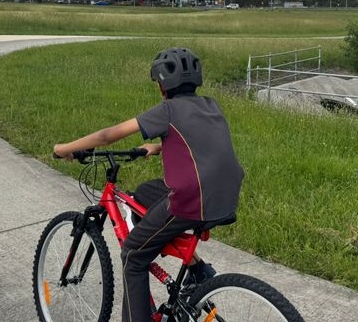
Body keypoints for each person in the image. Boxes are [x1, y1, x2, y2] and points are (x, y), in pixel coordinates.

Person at [54, 47, 244, 322]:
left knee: (133, 255)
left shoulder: (167, 109)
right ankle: (196, 269)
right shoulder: (211, 104)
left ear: (162, 86)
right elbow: (201, 143)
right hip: (226, 193)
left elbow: (108, 136)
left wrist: (64, 148)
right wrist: (157, 147)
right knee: (144, 193)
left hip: (193, 199)